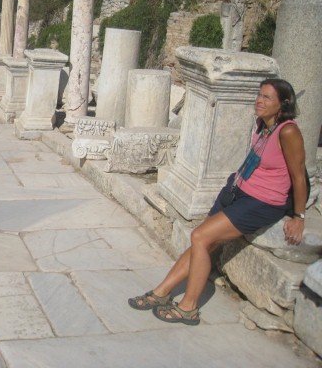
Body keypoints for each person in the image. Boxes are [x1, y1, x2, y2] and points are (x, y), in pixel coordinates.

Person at [128, 78, 307, 326]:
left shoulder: (288, 131)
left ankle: (189, 308)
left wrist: (299, 217)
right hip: (237, 190)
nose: (259, 101)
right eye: (259, 95)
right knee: (203, 241)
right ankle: (162, 292)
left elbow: (299, 175)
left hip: (262, 202)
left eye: (267, 97)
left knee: (201, 237)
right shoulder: (263, 123)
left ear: (284, 103)